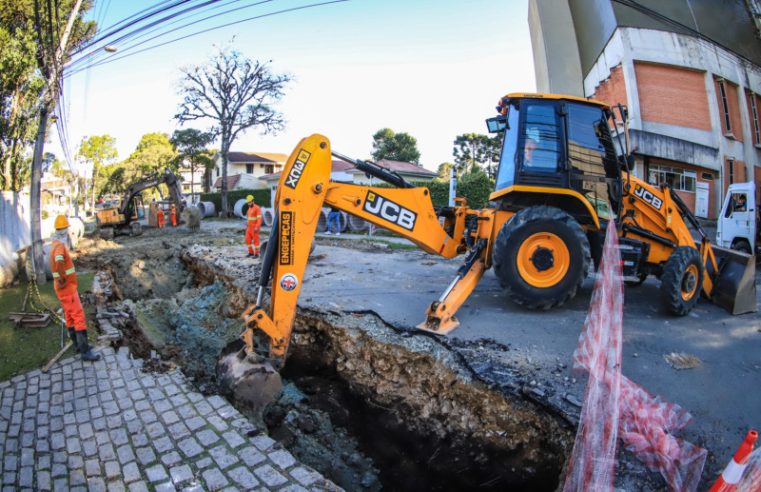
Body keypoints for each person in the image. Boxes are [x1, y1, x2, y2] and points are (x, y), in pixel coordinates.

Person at [50, 215, 101, 362]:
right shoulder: (59, 247)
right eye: (66, 228)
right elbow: (59, 262)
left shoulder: (54, 244)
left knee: (70, 316)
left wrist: (60, 280)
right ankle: (85, 352)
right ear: (64, 229)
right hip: (67, 288)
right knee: (78, 317)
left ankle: (78, 346)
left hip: (62, 289)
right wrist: (62, 279)